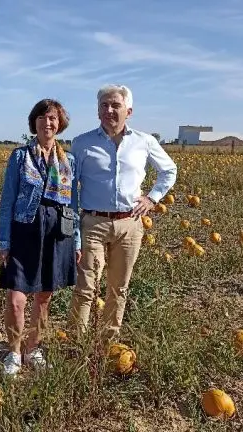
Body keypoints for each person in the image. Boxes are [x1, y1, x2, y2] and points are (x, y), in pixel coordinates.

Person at [66, 84, 177, 344]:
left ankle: (107, 343)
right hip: (92, 222)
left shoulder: (144, 141)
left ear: (129, 110)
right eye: (104, 105)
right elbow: (70, 186)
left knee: (119, 288)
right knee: (85, 288)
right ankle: (75, 344)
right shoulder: (82, 143)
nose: (109, 110)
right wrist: (71, 226)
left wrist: (152, 198)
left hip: (130, 224)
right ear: (97, 111)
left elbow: (169, 171)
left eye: (115, 105)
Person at [0, 98, 82, 377]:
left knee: (44, 298)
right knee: (16, 299)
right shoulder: (21, 157)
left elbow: (73, 204)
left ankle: (34, 349)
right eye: (43, 117)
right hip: (24, 230)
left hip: (57, 235)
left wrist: (77, 241)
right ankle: (14, 352)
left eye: (54, 118)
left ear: (60, 124)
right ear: (34, 122)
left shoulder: (68, 160)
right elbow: (7, 201)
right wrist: (4, 241)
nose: (48, 122)